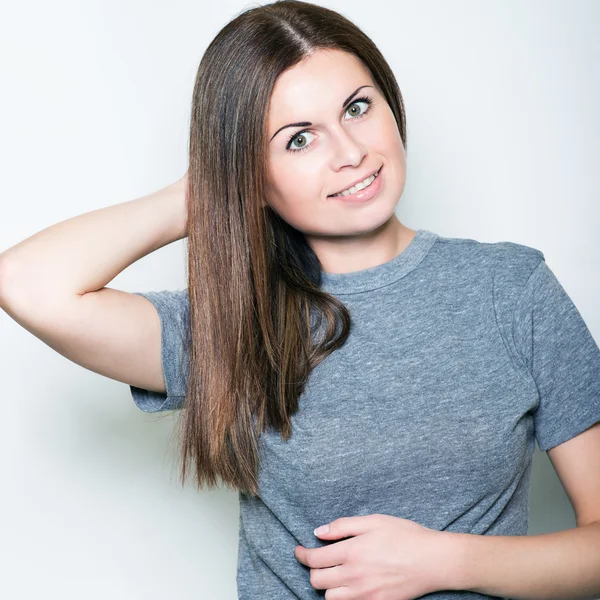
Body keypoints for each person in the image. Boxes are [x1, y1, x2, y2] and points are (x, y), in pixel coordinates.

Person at [2, 2, 600, 599]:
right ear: (252, 171)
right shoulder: (233, 322)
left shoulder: (510, 288)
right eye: (299, 140)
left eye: (357, 108)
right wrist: (216, 183)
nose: (349, 152)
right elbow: (29, 284)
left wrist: (448, 563)